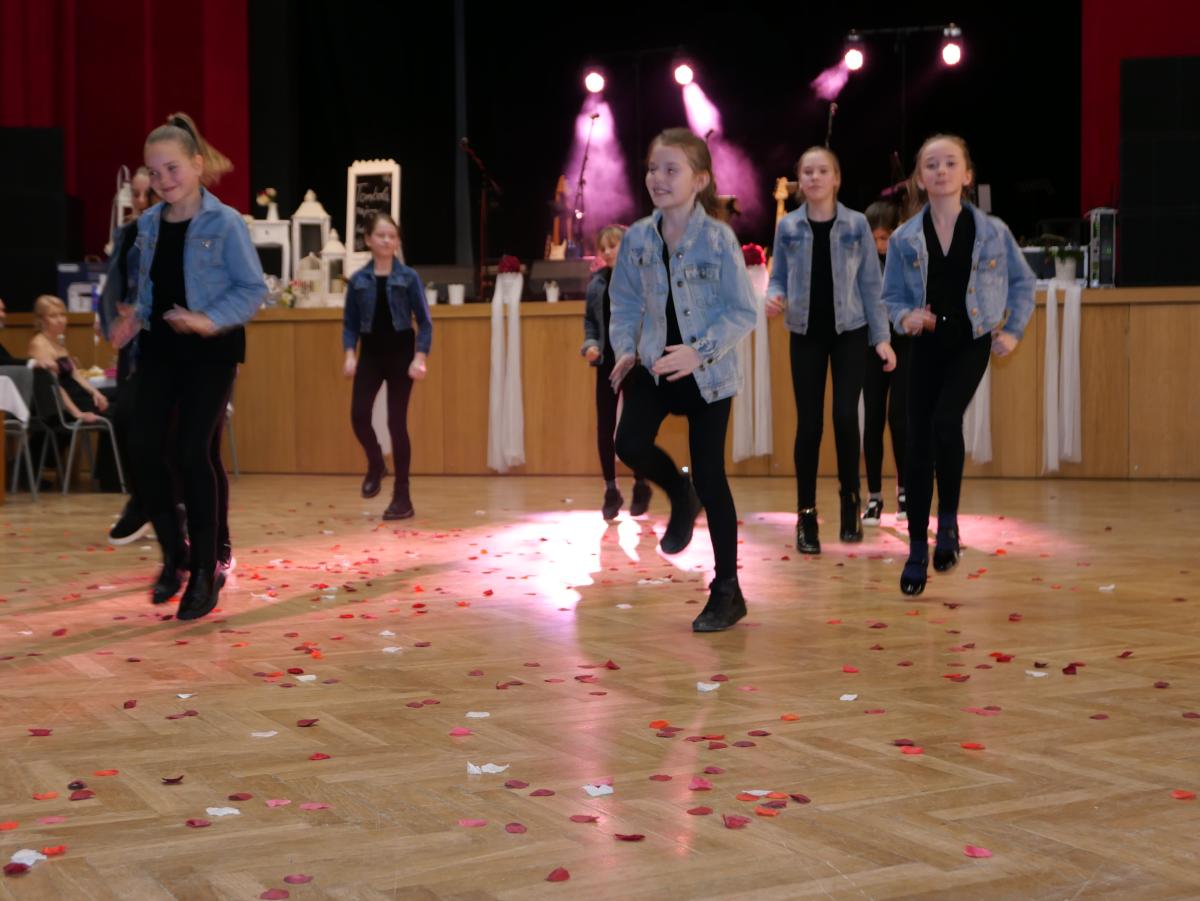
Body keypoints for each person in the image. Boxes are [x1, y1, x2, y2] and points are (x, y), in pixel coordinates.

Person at [111, 112, 263, 621]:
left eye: (172, 168)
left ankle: (205, 568)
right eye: (154, 173)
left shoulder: (226, 223)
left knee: (192, 450)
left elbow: (252, 289)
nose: (163, 180)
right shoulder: (149, 225)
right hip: (160, 349)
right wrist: (134, 317)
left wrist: (207, 319)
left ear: (197, 165)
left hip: (211, 351)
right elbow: (150, 287)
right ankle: (174, 554)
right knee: (143, 447)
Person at [608, 127, 757, 632]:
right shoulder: (636, 237)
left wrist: (700, 351)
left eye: (671, 169)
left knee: (712, 475)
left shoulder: (717, 238)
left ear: (700, 180)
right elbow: (624, 303)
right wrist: (626, 350)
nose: (658, 178)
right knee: (628, 443)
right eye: (653, 168)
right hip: (655, 366)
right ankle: (678, 490)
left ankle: (727, 590)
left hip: (707, 374)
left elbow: (742, 311)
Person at [881, 134, 1035, 596]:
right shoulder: (905, 237)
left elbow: (1023, 284)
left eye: (951, 163)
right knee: (916, 441)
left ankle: (947, 523)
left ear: (967, 175)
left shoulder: (993, 231)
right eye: (931, 164)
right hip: (925, 346)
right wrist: (905, 317)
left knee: (945, 421)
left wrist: (1012, 330)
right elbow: (892, 297)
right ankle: (916, 548)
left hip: (971, 342)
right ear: (919, 178)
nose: (941, 171)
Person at [766, 147, 895, 555]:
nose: (815, 177)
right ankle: (806, 515)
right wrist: (774, 296)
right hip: (805, 333)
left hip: (850, 331)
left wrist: (882, 338)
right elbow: (777, 277)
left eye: (823, 171)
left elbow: (872, 286)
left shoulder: (857, 224)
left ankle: (850, 500)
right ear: (799, 180)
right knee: (809, 424)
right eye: (807, 172)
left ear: (836, 178)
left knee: (844, 415)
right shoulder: (788, 226)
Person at [342, 211, 431, 520]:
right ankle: (376, 462)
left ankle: (402, 497)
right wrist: (349, 354)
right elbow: (350, 324)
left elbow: (425, 322)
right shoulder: (358, 280)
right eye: (380, 235)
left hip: (401, 355)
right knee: (358, 415)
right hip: (371, 355)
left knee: (396, 423)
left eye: (392, 236)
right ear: (368, 239)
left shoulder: (409, 277)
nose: (386, 240)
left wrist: (420, 357)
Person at [581, 223, 651, 520]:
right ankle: (611, 489)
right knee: (605, 427)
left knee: (636, 427)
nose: (608, 252)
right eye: (603, 248)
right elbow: (590, 323)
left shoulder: (644, 279)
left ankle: (641, 483)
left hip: (636, 363)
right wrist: (590, 345)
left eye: (613, 245)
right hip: (607, 364)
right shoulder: (597, 284)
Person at [860, 199, 908, 526]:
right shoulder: (862, 263)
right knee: (873, 418)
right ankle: (874, 496)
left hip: (904, 343)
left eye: (885, 238)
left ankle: (905, 492)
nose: (880, 245)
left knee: (900, 418)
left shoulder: (907, 258)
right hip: (871, 346)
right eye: (875, 239)